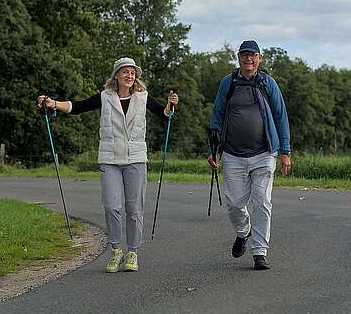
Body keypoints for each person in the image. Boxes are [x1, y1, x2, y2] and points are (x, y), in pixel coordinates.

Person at [37, 57, 179, 273]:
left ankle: (132, 252)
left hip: (136, 159)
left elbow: (164, 115)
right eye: (125, 72)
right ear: (117, 75)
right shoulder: (105, 97)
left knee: (134, 209)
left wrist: (171, 105)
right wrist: (53, 103)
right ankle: (115, 250)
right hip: (110, 159)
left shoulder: (143, 97)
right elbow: (77, 107)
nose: (129, 76)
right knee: (112, 207)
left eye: (132, 73)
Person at [207, 40, 291, 271]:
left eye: (253, 55)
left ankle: (259, 252)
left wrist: (285, 151)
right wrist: (211, 150)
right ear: (239, 58)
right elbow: (217, 115)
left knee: (262, 202)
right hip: (233, 154)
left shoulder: (267, 83)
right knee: (234, 203)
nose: (248, 59)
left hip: (264, 153)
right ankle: (243, 232)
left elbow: (280, 116)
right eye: (244, 55)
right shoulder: (229, 83)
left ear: (259, 58)